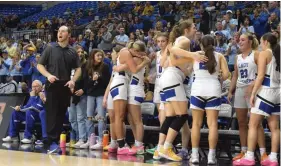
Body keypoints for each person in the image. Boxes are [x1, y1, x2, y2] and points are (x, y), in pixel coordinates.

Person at [155, 20, 207, 161]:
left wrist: (186, 67)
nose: (196, 30)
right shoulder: (184, 40)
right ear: (186, 30)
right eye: (194, 27)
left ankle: (159, 149)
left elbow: (164, 62)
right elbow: (174, 52)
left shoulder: (174, 41)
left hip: (167, 79)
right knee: (182, 115)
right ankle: (166, 147)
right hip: (172, 79)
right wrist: (193, 55)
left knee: (171, 116)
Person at [234, 33, 280, 166]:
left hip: (266, 91)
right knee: (274, 127)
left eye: (261, 41)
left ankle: (249, 157)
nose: (260, 44)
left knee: (253, 124)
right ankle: (273, 158)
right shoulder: (279, 53)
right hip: (278, 91)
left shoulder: (265, 53)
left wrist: (253, 93)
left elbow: (260, 76)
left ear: (266, 42)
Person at [37, 25, 81, 154]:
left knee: (60, 114)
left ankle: (55, 142)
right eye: (59, 31)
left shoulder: (72, 51)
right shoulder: (50, 48)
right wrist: (48, 75)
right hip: (52, 84)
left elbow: (78, 68)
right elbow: (40, 65)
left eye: (63, 31)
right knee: (51, 114)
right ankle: (52, 142)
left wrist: (73, 80)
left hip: (65, 86)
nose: (60, 33)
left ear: (68, 34)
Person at [189, 35, 229, 164]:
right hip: (213, 89)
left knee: (196, 124)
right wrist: (218, 78)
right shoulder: (220, 56)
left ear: (201, 44)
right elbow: (227, 75)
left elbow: (188, 70)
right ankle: (211, 156)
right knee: (213, 124)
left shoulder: (195, 55)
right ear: (215, 43)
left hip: (198, 89)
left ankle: (194, 155)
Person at [228, 33, 267, 162]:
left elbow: (263, 73)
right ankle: (243, 151)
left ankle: (262, 153)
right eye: (239, 40)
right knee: (242, 122)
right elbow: (235, 75)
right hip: (240, 90)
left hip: (253, 91)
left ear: (250, 41)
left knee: (256, 123)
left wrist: (253, 85)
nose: (240, 42)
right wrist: (230, 90)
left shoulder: (256, 54)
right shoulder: (237, 57)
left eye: (243, 40)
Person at [110, 40, 149, 155]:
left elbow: (129, 68)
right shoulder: (130, 55)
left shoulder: (137, 59)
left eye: (141, 52)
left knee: (135, 120)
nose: (140, 54)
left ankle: (138, 145)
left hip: (134, 89)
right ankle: (131, 144)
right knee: (128, 118)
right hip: (127, 87)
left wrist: (117, 67)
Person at [80, 49, 111, 150]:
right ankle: (91, 139)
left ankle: (102, 140)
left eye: (101, 56)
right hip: (90, 94)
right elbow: (85, 83)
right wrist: (92, 80)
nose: (100, 57)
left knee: (101, 117)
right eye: (98, 55)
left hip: (101, 94)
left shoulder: (105, 67)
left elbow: (107, 82)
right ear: (93, 56)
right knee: (89, 117)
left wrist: (99, 78)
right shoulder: (87, 67)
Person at [67, 46, 87, 148]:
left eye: (81, 52)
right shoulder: (70, 66)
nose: (80, 53)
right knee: (72, 119)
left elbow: (87, 81)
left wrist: (83, 90)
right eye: (78, 52)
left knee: (80, 118)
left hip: (81, 94)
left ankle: (82, 139)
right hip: (70, 95)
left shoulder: (86, 66)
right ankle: (77, 137)